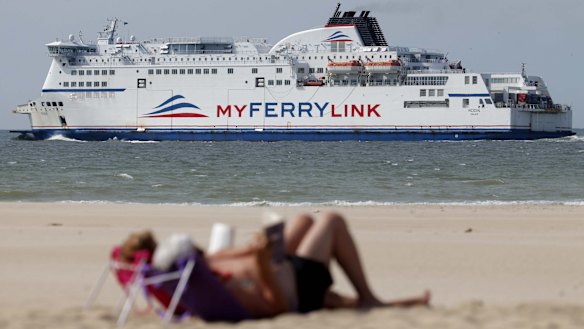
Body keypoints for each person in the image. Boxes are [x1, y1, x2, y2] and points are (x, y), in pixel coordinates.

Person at [206, 212, 430, 318]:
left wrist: (256, 248)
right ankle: (367, 297)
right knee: (331, 221)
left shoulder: (206, 266)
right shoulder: (221, 292)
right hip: (297, 287)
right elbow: (278, 305)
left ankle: (355, 301)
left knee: (304, 220)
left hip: (284, 270)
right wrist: (262, 264)